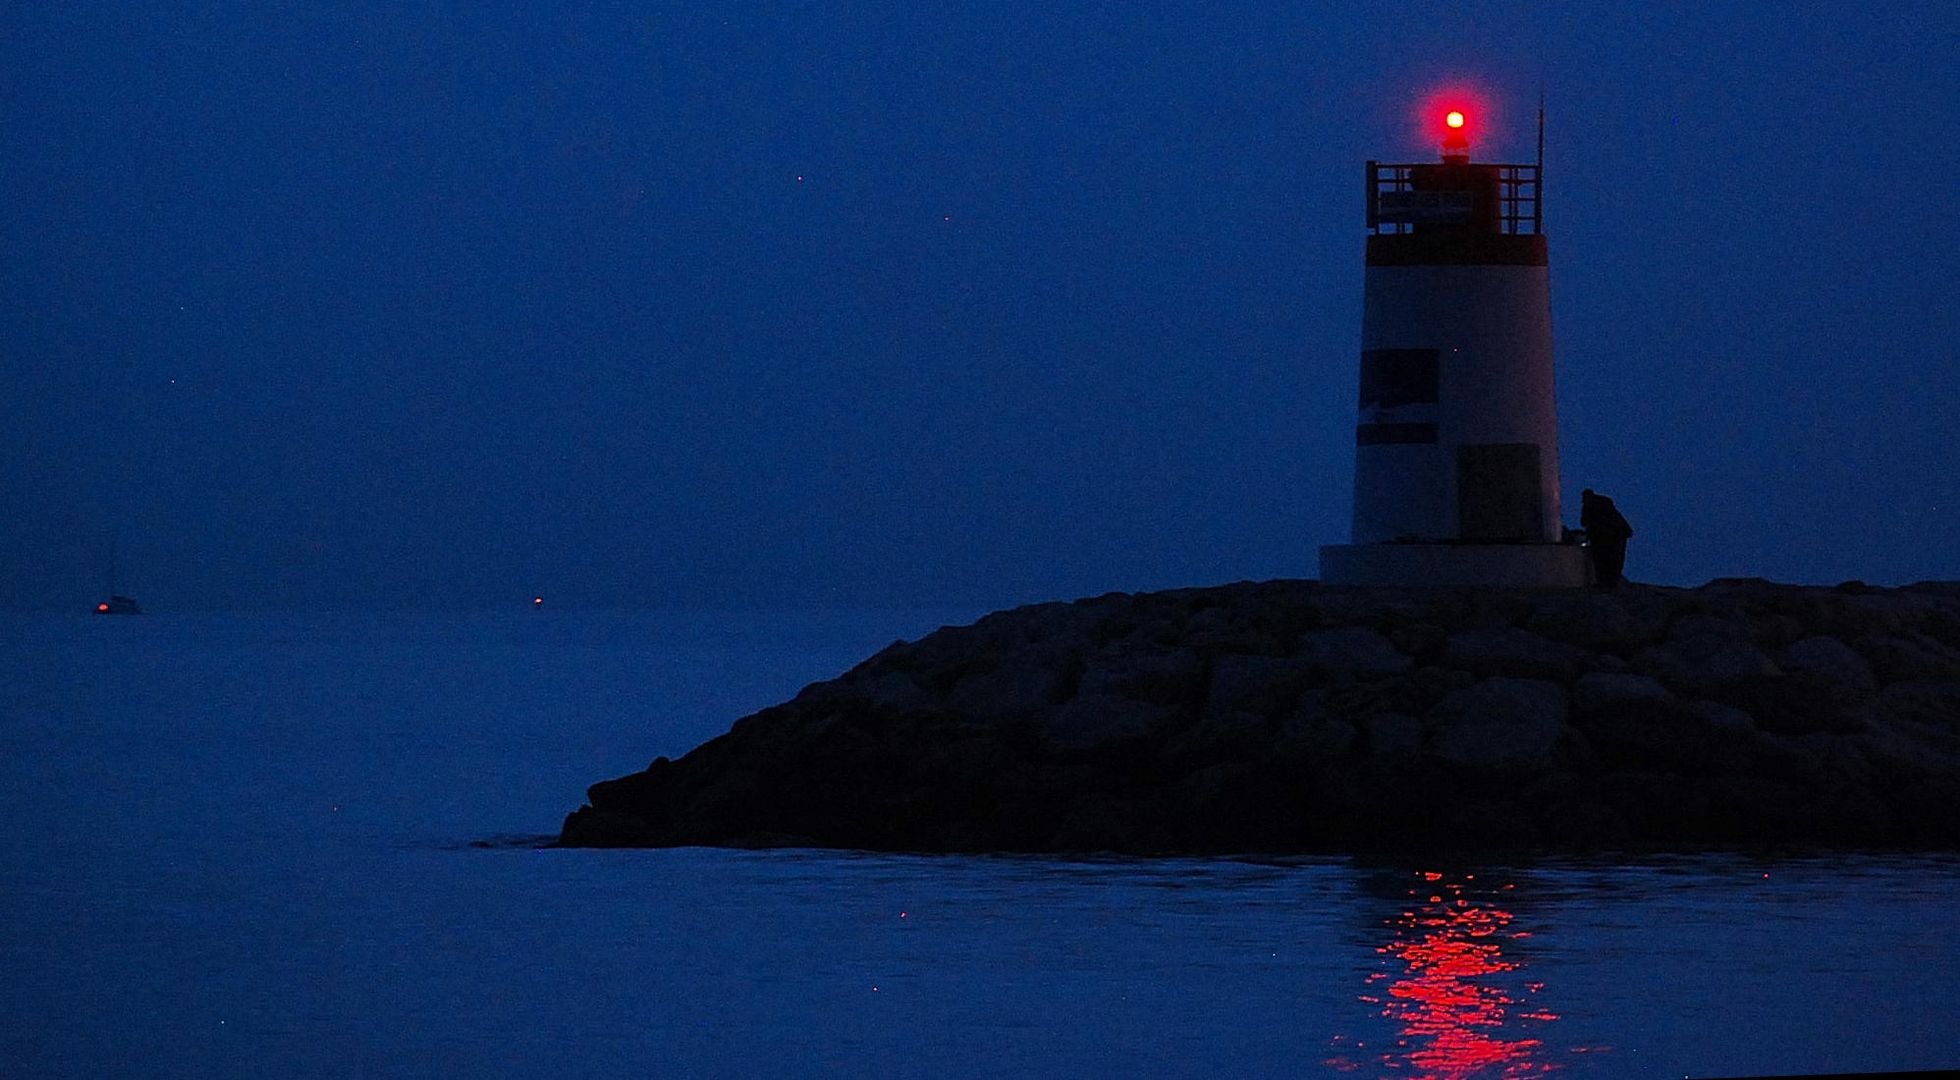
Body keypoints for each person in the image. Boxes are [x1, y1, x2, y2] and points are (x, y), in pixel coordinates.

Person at [1580, 488, 1634, 588]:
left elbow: (1584, 522)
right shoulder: (1608, 508)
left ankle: (1605, 583)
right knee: (1615, 561)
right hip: (1617, 535)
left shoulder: (1590, 506)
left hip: (1605, 537)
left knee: (1602, 560)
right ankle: (1611, 583)